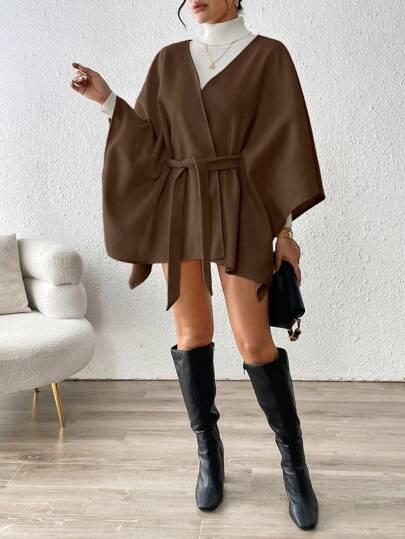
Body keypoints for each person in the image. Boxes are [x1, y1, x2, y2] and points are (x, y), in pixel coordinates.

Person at [70, 0, 325, 530]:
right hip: (180, 205)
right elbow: (151, 144)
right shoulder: (168, 60)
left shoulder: (269, 56)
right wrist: (107, 101)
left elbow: (283, 148)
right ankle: (209, 454)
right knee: (191, 334)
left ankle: (294, 466)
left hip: (241, 204)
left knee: (254, 341)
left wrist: (285, 235)